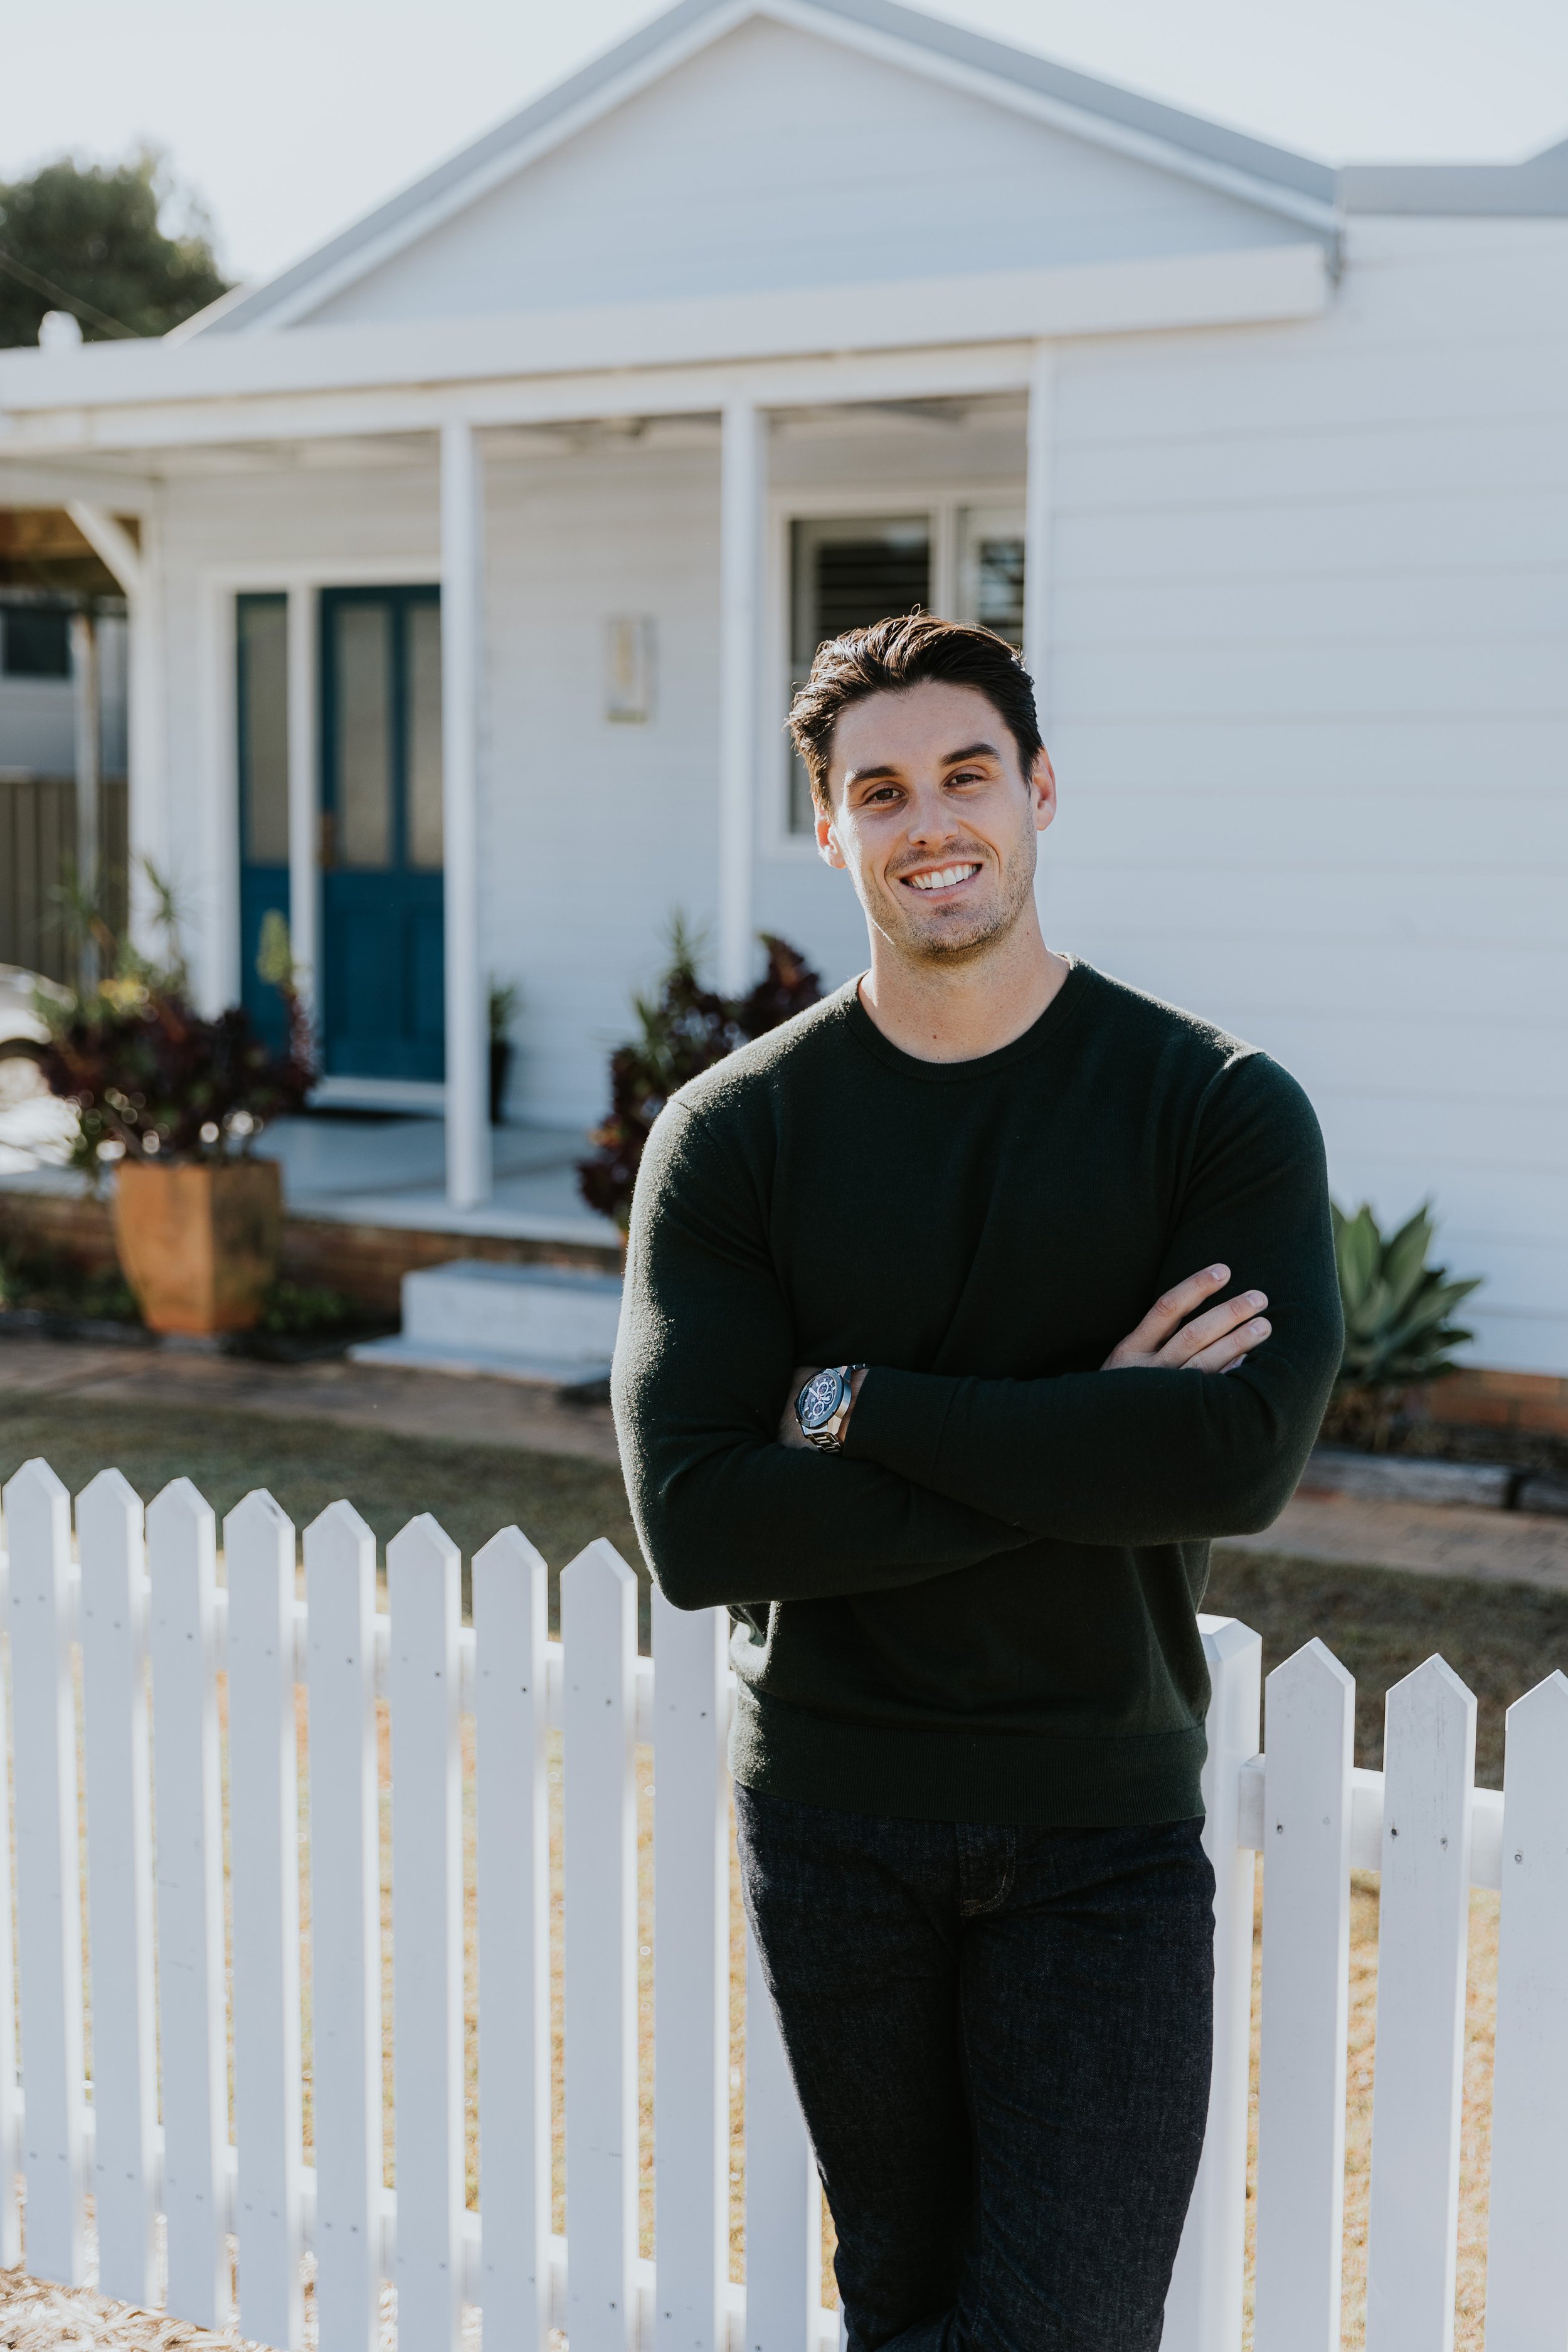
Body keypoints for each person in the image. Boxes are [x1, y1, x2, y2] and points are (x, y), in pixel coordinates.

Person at [613, 614, 1342, 2352]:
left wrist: (857, 1405)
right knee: (907, 2305)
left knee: (1061, 2326)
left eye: (962, 774)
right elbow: (706, 1527)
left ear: (1037, 790)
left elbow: (1228, 1462)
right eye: (878, 790)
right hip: (836, 1813)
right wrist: (1088, 1428)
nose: (926, 819)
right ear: (829, 833)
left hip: (1098, 1817)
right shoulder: (737, 1133)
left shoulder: (1211, 1107)